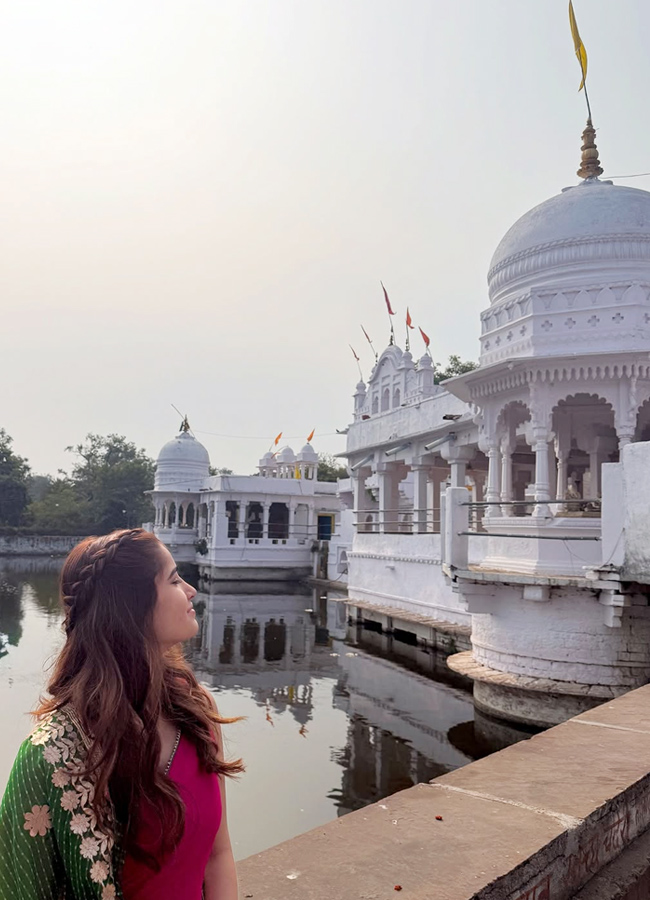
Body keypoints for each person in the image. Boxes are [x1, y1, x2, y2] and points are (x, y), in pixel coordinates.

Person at [0, 528, 242, 899]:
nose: (191, 590)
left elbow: (217, 854)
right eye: (174, 580)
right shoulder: (57, 753)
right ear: (133, 605)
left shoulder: (196, 709)